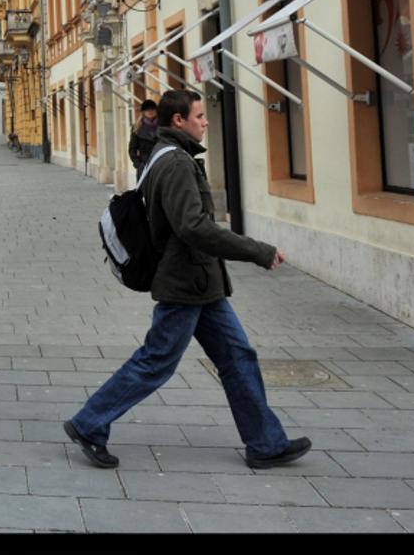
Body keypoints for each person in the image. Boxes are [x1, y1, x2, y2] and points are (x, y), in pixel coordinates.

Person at [65, 89, 311, 470]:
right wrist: (257, 251)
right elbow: (193, 227)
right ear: (178, 120)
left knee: (237, 356)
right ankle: (89, 422)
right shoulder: (176, 162)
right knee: (157, 361)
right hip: (185, 284)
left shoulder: (166, 155)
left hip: (201, 284)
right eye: (199, 116)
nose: (206, 121)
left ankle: (265, 442)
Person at [128, 99, 160, 177]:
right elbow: (132, 150)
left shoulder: (163, 126)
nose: (150, 111)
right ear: (143, 112)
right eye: (147, 110)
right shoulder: (136, 128)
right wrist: (139, 165)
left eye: (152, 109)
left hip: (161, 165)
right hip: (144, 167)